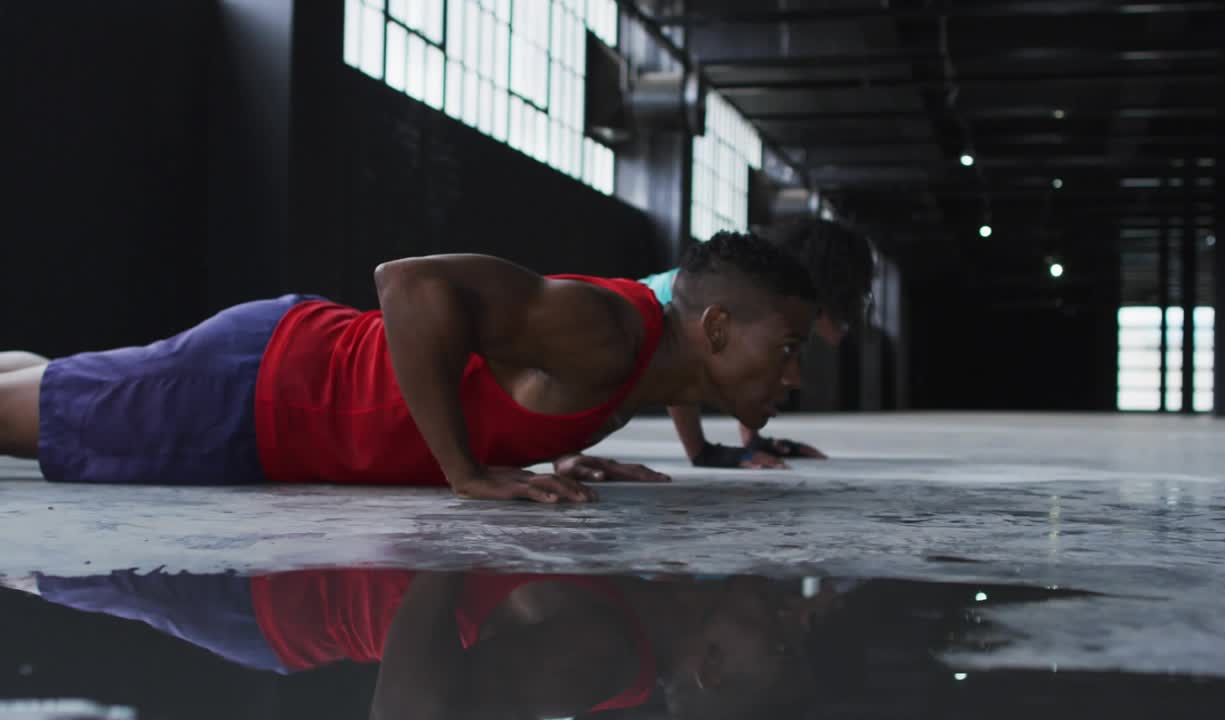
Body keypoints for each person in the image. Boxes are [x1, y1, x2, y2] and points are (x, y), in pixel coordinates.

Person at [0, 231, 816, 503]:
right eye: (787, 348)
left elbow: (509, 384)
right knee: (18, 418)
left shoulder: (636, 372)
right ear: (715, 327)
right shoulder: (608, 330)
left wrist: (557, 452)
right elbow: (410, 283)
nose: (793, 378)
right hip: (265, 391)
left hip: (277, 405)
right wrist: (464, 471)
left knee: (50, 384)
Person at [5, 568, 818, 719]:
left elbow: (407, 717)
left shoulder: (602, 655)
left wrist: (443, 549)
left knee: (41, 554)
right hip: (292, 537)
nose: (792, 618)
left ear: (712, 669)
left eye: (780, 644)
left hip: (276, 599)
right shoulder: (658, 593)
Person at [639, 219, 875, 469]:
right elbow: (679, 364)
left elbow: (755, 367)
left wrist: (752, 439)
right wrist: (700, 451)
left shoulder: (767, 302)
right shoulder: (707, 295)